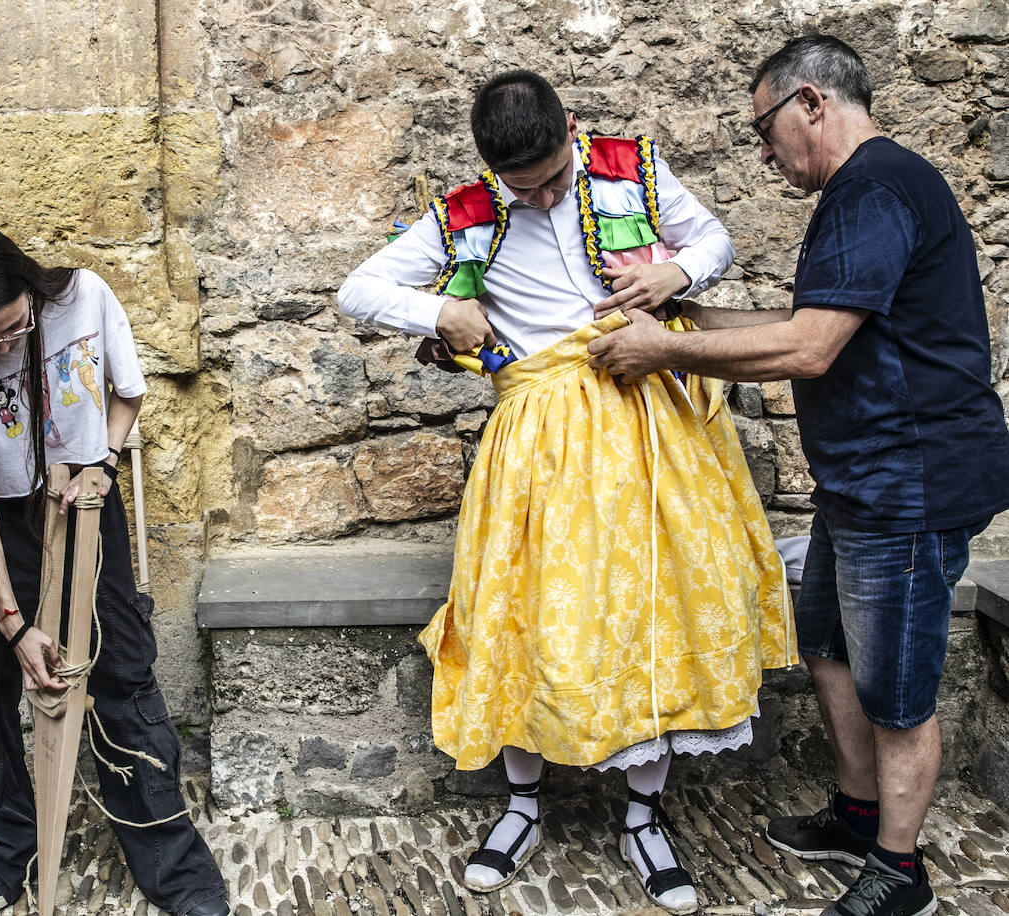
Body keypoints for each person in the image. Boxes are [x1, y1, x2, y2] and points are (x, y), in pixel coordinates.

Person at [338, 70, 794, 913]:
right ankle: (521, 806)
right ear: (490, 169)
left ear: (572, 129)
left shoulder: (633, 167)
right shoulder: (467, 211)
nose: (542, 197)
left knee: (655, 609)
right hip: (539, 439)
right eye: (523, 187)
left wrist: (675, 277)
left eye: (552, 177)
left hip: (648, 426)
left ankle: (645, 817)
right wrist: (441, 317)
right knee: (526, 612)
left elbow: (716, 242)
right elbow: (356, 289)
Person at [587, 35, 1009, 916]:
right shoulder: (862, 193)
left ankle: (902, 875)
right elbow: (807, 318)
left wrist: (665, 348)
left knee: (896, 691)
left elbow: (809, 349)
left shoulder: (878, 187)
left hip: (912, 483)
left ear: (812, 103)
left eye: (764, 130)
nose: (764, 152)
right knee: (825, 648)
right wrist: (686, 313)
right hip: (861, 481)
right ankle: (860, 817)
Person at [0, 225, 229, 916]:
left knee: (121, 674)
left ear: (30, 289)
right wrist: (15, 626)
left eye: (13, 327)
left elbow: (126, 395)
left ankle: (169, 860)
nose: (3, 348)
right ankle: (14, 840)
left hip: (84, 502)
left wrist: (103, 463)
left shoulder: (84, 297)